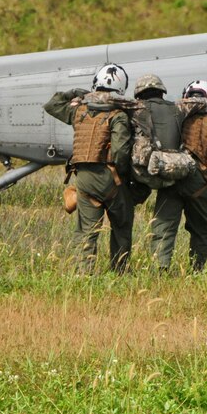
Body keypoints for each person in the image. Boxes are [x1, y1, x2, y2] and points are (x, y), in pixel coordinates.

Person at [44, 63, 135, 274]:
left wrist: (75, 92)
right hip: (111, 178)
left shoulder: (79, 111)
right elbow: (120, 153)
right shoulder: (119, 116)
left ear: (96, 83)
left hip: (84, 178)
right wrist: (125, 176)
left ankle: (83, 273)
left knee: (86, 230)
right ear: (121, 88)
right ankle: (120, 271)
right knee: (121, 226)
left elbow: (52, 105)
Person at [147, 78, 207, 273]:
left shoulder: (176, 115)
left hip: (171, 177)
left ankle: (159, 271)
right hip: (198, 182)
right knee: (199, 230)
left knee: (163, 227)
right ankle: (196, 271)